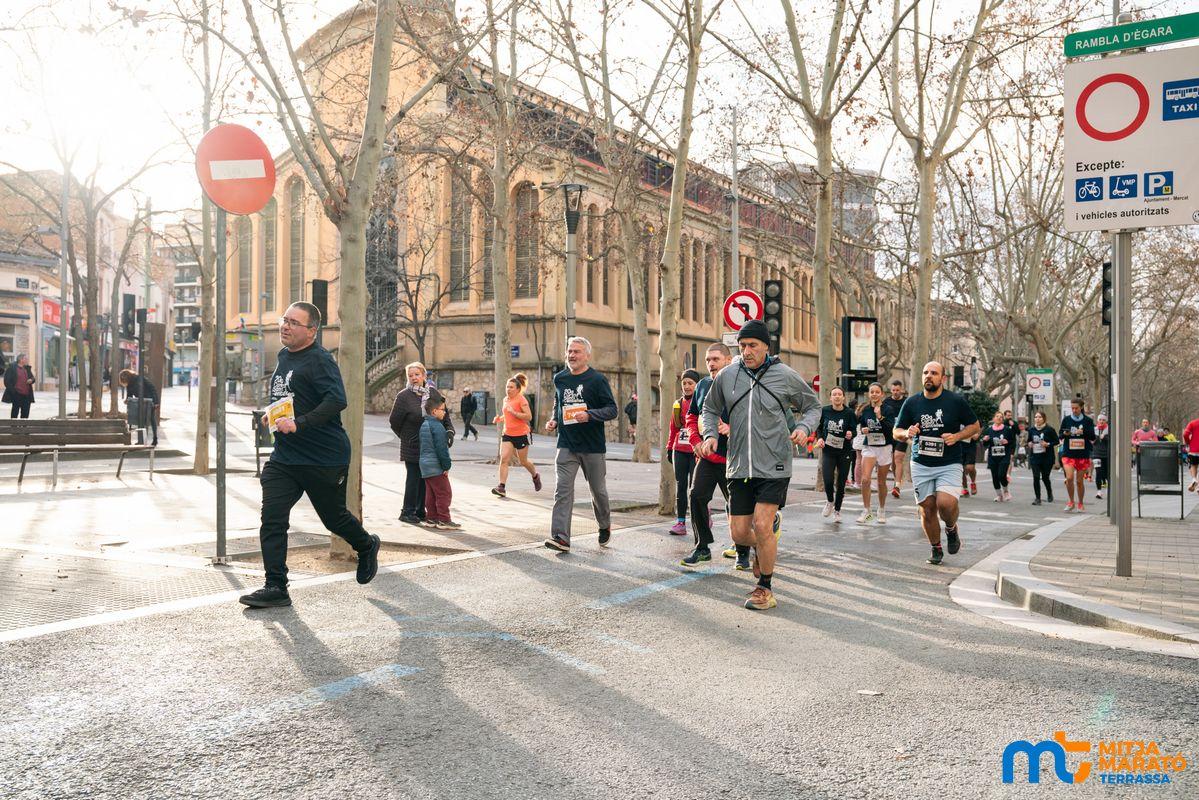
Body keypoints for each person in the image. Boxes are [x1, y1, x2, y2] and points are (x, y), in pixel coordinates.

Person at [239, 302, 380, 608]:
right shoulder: (283, 356)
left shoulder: (320, 360)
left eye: (294, 322)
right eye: (284, 320)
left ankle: (366, 545)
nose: (285, 326)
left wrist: (299, 423)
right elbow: (290, 397)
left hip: (323, 457)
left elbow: (336, 400)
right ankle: (276, 586)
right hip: (285, 458)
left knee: (333, 519)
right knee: (272, 519)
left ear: (312, 331)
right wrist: (272, 414)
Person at [696, 319, 820, 611]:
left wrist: (804, 428)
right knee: (739, 533)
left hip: (774, 463)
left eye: (752, 345)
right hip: (739, 464)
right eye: (742, 346)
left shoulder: (785, 375)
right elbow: (710, 408)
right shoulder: (727, 375)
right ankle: (762, 547)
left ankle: (765, 587)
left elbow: (813, 406)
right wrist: (710, 434)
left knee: (762, 525)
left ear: (766, 346)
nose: (747, 351)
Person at [894, 361, 980, 565]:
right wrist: (906, 433)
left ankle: (951, 528)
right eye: (926, 372)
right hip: (921, 463)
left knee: (945, 503)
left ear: (943, 378)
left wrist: (957, 436)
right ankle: (936, 547)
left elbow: (975, 426)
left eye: (934, 373)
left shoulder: (955, 401)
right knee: (927, 508)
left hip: (949, 462)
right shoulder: (912, 402)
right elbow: (896, 431)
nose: (928, 376)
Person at [544, 337, 617, 552]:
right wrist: (554, 420)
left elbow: (612, 409)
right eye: (569, 351)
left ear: (587, 355)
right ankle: (561, 537)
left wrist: (590, 415)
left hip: (592, 446)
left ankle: (604, 524)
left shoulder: (597, 380)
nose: (572, 355)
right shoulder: (560, 378)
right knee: (562, 491)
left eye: (576, 351)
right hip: (566, 444)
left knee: (598, 491)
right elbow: (559, 403)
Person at [682, 343, 742, 567]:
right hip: (708, 457)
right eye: (708, 360)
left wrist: (732, 428)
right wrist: (696, 441)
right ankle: (702, 547)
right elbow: (691, 417)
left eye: (716, 359)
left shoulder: (741, 384)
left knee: (737, 506)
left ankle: (743, 548)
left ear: (728, 360)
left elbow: (755, 419)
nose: (711, 364)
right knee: (696, 495)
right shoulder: (703, 385)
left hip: (735, 459)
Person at [389, 362, 454, 524]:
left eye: (417, 374)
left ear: (424, 375)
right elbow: (394, 421)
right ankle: (407, 511)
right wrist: (407, 437)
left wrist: (449, 431)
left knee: (427, 479)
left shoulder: (433, 393)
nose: (413, 378)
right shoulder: (403, 396)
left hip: (431, 445)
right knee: (413, 478)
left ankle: (420, 511)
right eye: (410, 375)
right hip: (412, 445)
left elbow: (444, 414)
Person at [491, 372, 541, 497]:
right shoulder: (505, 399)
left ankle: (535, 476)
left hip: (521, 434)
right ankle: (501, 487)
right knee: (504, 459)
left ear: (518, 389)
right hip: (507, 434)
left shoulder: (521, 400)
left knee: (523, 461)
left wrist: (514, 412)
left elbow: (528, 416)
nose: (508, 389)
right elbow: (507, 414)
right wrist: (500, 419)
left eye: (511, 387)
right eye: (507, 387)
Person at [666, 369, 701, 535]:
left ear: (697, 385)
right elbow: (673, 428)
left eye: (690, 383)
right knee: (681, 487)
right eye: (684, 383)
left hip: (696, 451)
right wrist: (669, 448)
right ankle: (680, 523)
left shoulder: (702, 402)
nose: (687, 386)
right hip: (679, 450)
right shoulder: (678, 404)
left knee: (695, 488)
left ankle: (701, 516)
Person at [815, 385, 856, 524]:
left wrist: (851, 434)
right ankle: (830, 501)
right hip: (828, 450)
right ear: (831, 398)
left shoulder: (849, 413)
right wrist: (820, 438)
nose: (837, 396)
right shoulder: (825, 411)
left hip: (844, 451)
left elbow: (854, 430)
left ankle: (837, 510)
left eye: (839, 394)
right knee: (827, 479)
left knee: (841, 483)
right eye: (834, 394)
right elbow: (819, 428)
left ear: (843, 397)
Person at [419, 396, 460, 530]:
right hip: (436, 465)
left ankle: (431, 518)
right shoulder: (438, 427)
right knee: (444, 493)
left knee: (431, 494)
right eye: (443, 410)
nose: (445, 412)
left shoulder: (424, 425)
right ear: (434, 411)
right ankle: (444, 519)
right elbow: (442, 449)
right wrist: (446, 466)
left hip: (425, 465)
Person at [856, 381, 894, 524]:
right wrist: (863, 430)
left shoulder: (888, 409)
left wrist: (880, 417)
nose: (874, 394)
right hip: (870, 446)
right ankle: (867, 511)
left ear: (882, 394)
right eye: (872, 392)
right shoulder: (865, 409)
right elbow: (863, 426)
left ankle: (881, 509)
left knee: (881, 482)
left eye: (877, 392)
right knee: (865, 479)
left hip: (884, 446)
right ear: (869, 394)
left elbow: (890, 428)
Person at [1058, 397, 1097, 513]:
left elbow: (1093, 437)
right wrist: (1065, 433)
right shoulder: (1066, 419)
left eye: (1076, 408)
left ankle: (1080, 503)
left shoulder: (1087, 421)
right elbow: (1060, 434)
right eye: (1072, 408)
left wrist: (1083, 432)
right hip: (1068, 453)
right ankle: (1071, 502)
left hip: (1082, 454)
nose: (1074, 410)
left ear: (1081, 407)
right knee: (1069, 478)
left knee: (1079, 481)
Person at [119, 369, 160, 446]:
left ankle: (155, 438)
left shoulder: (140, 378)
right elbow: (129, 395)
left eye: (124, 379)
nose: (124, 381)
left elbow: (152, 388)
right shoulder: (129, 384)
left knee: (151, 419)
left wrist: (156, 402)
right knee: (140, 420)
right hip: (140, 403)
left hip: (149, 401)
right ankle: (141, 440)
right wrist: (127, 400)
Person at [1027, 411, 1059, 506]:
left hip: (1047, 458)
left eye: (1040, 417)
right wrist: (1029, 443)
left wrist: (1048, 444)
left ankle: (1049, 492)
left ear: (1044, 418)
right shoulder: (1032, 430)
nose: (1037, 419)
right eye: (1036, 417)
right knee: (1036, 477)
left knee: (1045, 477)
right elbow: (1029, 440)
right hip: (1035, 457)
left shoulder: (1049, 429)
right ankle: (1038, 498)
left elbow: (1057, 441)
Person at [981, 411, 1014, 502]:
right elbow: (985, 444)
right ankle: (999, 495)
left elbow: (1012, 441)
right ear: (993, 418)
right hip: (993, 456)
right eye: (997, 416)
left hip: (1004, 456)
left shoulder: (1007, 429)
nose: (999, 418)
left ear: (1002, 419)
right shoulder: (989, 430)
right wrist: (985, 440)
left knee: (1001, 475)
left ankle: (1006, 491)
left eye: (1001, 417)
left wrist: (1007, 442)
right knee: (995, 476)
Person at [883, 379, 908, 498]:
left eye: (897, 390)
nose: (895, 392)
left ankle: (897, 486)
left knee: (898, 458)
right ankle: (896, 480)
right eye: (893, 390)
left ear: (901, 390)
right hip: (889, 435)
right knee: (893, 462)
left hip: (902, 434)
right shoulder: (886, 402)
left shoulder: (906, 402)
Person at [2, 353, 35, 419]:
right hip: (16, 394)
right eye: (26, 359)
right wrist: (13, 392)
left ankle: (23, 425)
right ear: (21, 359)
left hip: (27, 395)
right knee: (15, 412)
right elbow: (7, 381)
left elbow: (33, 378)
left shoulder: (27, 368)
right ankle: (14, 425)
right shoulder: (12, 368)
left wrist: (31, 380)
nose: (27, 360)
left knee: (25, 413)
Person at [1093, 413, 1110, 500]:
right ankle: (1099, 491)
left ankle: (1109, 490)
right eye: (1100, 420)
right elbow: (1091, 440)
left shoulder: (1109, 430)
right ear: (1097, 421)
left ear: (1106, 421)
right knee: (1098, 472)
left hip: (1106, 455)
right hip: (1096, 454)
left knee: (1106, 473)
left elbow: (1112, 441)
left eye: (1103, 420)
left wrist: (1105, 437)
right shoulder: (1094, 430)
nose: (1101, 421)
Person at [1183, 414, 1199, 492]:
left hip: (1194, 449)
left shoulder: (1192, 423)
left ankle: (1194, 479)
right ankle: (1198, 487)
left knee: (1193, 465)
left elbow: (1185, 434)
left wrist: (1188, 442)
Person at [960, 430, 978, 497]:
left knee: (970, 468)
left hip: (970, 446)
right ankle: (965, 489)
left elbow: (981, 427)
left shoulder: (973, 422)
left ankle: (973, 483)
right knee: (960, 469)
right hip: (959, 446)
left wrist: (977, 433)